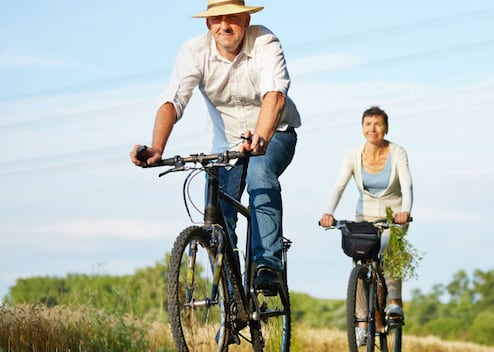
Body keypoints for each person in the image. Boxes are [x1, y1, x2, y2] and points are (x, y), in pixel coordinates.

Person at [130, 0, 300, 295]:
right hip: (226, 144)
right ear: (208, 24)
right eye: (217, 19)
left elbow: (275, 95)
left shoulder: (265, 41)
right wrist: (157, 147)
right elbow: (173, 99)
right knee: (218, 217)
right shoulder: (194, 51)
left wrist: (261, 137)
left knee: (260, 176)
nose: (225, 25)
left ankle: (267, 266)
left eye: (232, 18)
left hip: (274, 134)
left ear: (245, 20)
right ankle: (229, 298)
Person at [318, 106, 413, 344]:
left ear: (386, 128)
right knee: (360, 261)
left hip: (394, 217)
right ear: (362, 128)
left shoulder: (397, 152)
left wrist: (405, 212)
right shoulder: (353, 155)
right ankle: (362, 324)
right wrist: (328, 212)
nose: (373, 129)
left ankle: (394, 303)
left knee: (391, 245)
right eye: (368, 124)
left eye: (378, 124)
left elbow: (408, 186)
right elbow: (339, 185)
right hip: (365, 217)